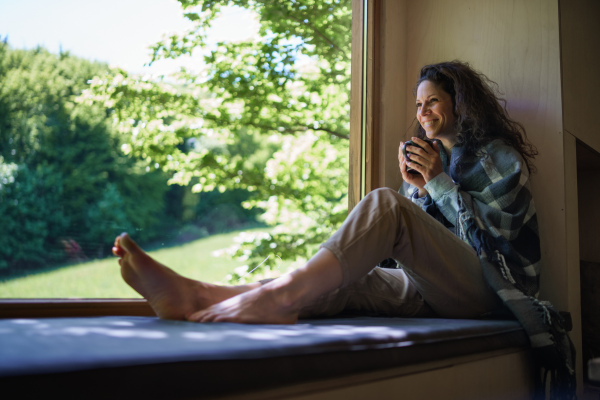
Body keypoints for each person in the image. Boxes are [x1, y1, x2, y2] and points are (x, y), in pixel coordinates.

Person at [113, 60, 539, 324]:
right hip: (435, 291)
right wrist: (423, 193)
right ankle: (201, 296)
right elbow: (419, 249)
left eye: (431, 102)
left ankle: (277, 297)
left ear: (459, 104)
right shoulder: (434, 164)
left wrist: (437, 186)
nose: (421, 112)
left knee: (383, 203)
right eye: (417, 105)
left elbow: (494, 244)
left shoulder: (498, 158)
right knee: (350, 280)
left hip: (490, 293)